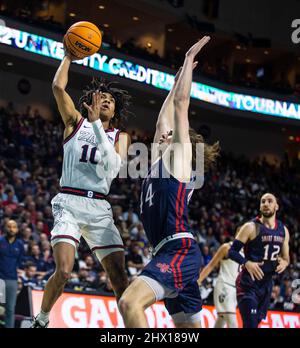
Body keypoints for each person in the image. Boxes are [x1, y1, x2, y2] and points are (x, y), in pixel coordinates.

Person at [119, 37, 220, 328]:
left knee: (129, 302)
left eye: (172, 134)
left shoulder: (181, 159)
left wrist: (188, 59)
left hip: (179, 252)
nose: (165, 135)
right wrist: (175, 79)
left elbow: (180, 104)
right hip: (167, 253)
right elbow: (162, 121)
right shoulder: (155, 164)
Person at [31, 38, 131, 328]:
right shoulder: (75, 122)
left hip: (99, 207)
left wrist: (98, 124)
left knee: (119, 277)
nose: (105, 102)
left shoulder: (120, 137)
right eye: (100, 99)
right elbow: (57, 88)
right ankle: (42, 318)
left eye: (109, 102)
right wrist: (68, 57)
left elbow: (113, 169)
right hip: (70, 202)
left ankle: (129, 328)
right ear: (90, 102)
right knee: (63, 271)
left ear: (115, 111)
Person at [228, 193, 290, 328]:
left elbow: (286, 258)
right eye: (263, 201)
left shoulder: (283, 231)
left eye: (269, 201)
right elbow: (231, 252)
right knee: (250, 325)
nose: (266, 204)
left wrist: (284, 262)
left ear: (276, 206)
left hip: (266, 286)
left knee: (253, 324)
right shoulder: (250, 227)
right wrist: (246, 263)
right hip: (248, 284)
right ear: (260, 206)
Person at [198, 237, 241, 328]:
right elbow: (211, 265)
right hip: (225, 286)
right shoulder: (227, 247)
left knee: (221, 320)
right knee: (232, 323)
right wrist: (198, 281)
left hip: (235, 290)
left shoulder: (248, 251)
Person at [0, 220, 24, 328]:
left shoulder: (20, 244)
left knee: (10, 309)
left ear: (17, 229)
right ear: (5, 228)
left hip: (12, 280)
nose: (11, 229)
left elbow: (19, 262)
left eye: (14, 227)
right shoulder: (0, 241)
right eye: (9, 226)